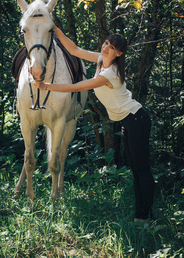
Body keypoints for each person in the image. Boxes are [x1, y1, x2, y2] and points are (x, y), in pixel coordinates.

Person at [32, 24, 155, 222]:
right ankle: (141, 214)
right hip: (128, 121)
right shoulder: (101, 61)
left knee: (141, 168)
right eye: (106, 43)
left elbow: (77, 86)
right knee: (135, 169)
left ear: (119, 53)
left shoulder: (110, 74)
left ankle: (145, 215)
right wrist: (52, 26)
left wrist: (47, 86)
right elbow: (74, 50)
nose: (106, 47)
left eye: (112, 47)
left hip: (136, 119)